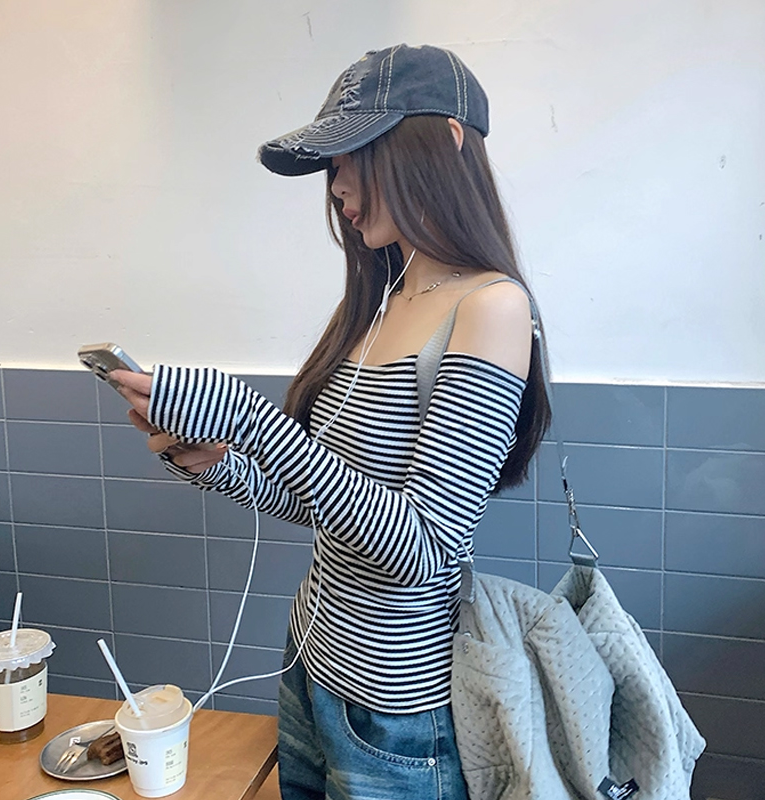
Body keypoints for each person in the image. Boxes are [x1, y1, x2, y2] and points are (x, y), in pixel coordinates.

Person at [112, 43, 551, 800]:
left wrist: (247, 417)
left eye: (356, 154)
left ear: (446, 139)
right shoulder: (381, 300)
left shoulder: (491, 307)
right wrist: (216, 463)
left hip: (395, 712)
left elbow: (424, 548)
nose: (338, 182)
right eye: (333, 163)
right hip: (309, 663)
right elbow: (326, 507)